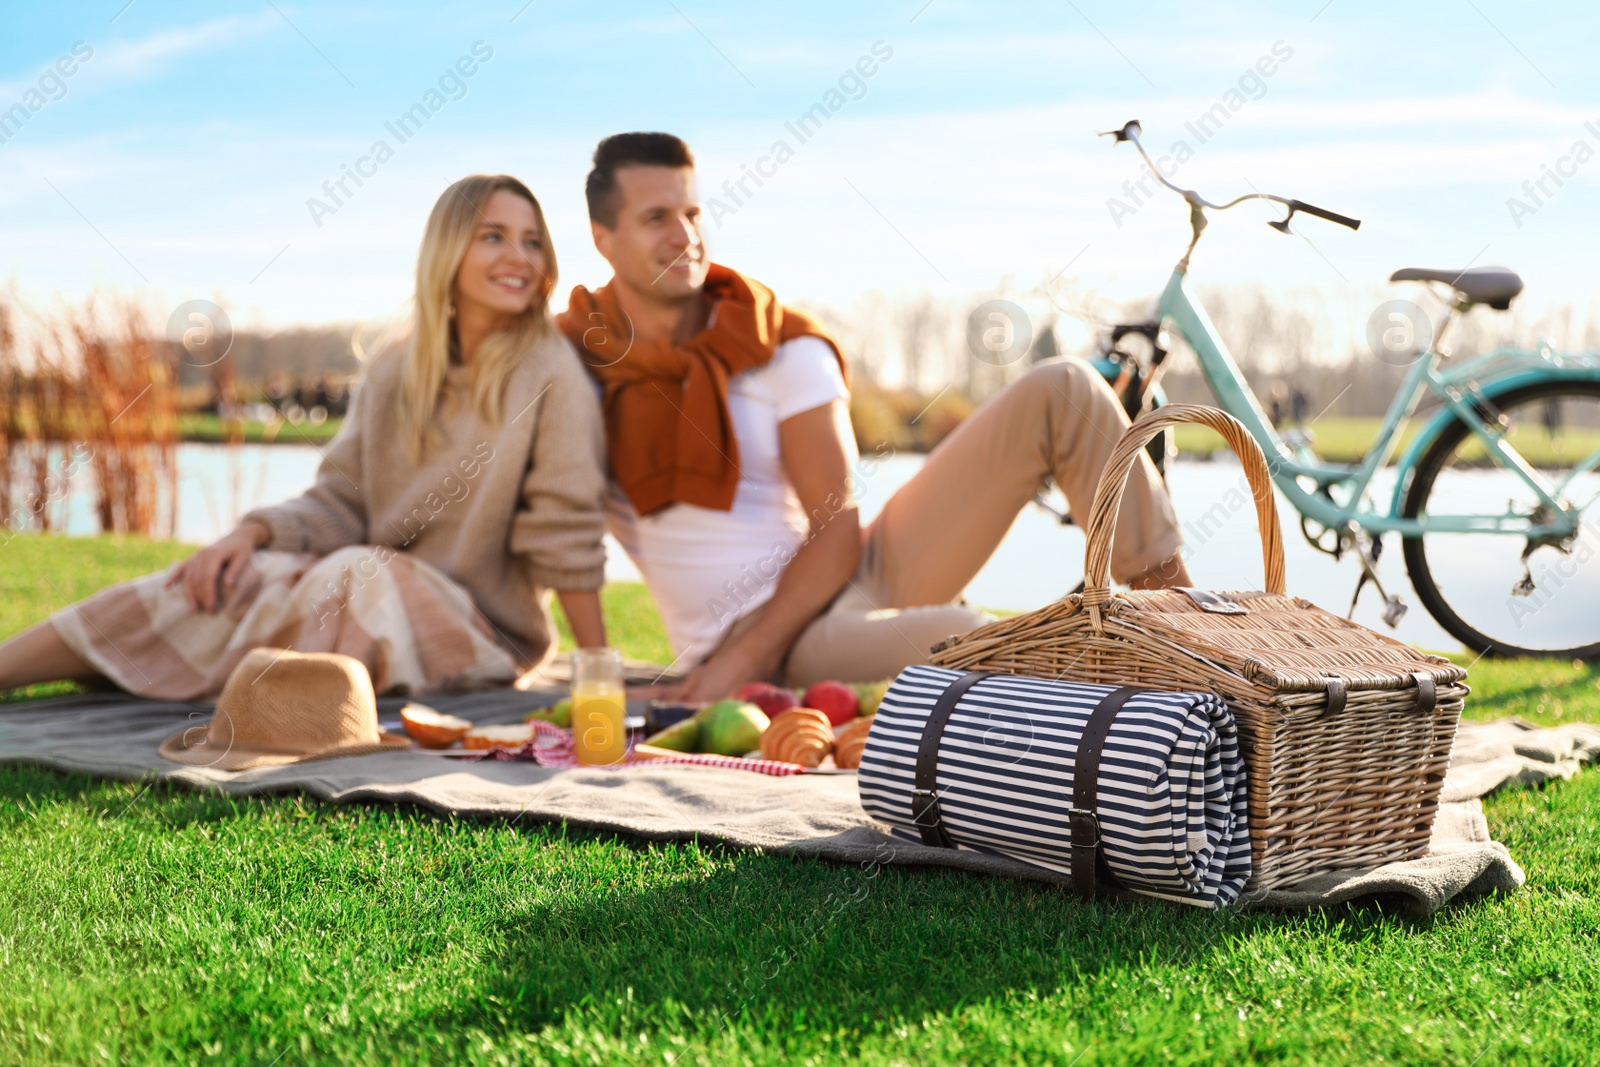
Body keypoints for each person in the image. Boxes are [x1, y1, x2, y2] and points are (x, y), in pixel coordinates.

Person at [559, 133, 1191, 700]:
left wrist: (746, 662)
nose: (685, 235)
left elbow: (834, 528)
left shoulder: (779, 343)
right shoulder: (574, 363)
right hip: (760, 633)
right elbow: (544, 514)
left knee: (1066, 385)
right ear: (602, 238)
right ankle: (1110, 677)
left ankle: (1188, 635)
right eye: (655, 218)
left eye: (693, 212)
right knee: (962, 635)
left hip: (850, 571)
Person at [0, 175, 608, 701]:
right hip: (368, 583)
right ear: (446, 251)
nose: (521, 256)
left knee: (353, 576)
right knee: (226, 580)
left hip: (484, 633)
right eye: (494, 235)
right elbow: (341, 500)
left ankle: (287, 711)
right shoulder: (397, 367)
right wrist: (250, 535)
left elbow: (565, 529)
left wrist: (598, 673)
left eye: (533, 241)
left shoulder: (550, 372)